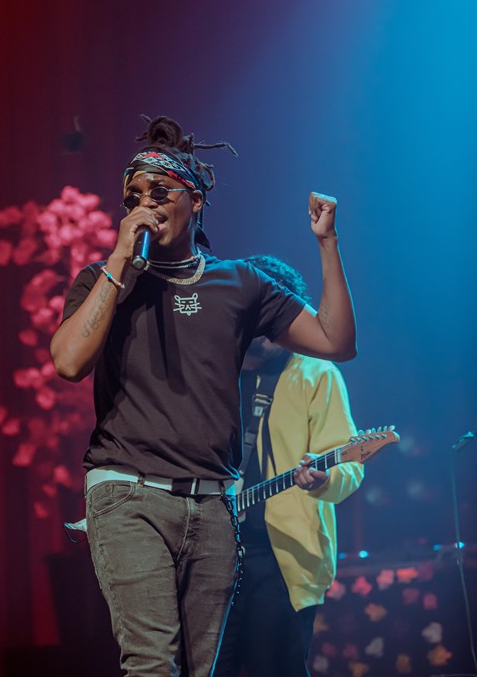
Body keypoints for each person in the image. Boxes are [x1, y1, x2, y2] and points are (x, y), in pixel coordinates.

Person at [50, 115, 356, 677]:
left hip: (214, 503)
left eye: (159, 192)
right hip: (127, 492)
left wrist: (327, 243)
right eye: (132, 196)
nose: (144, 204)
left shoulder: (240, 282)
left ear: (195, 200)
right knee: (151, 663)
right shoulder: (105, 278)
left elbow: (336, 341)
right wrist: (119, 260)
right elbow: (69, 362)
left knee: (201, 669)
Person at [214, 255, 363, 677]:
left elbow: (350, 466)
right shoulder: (218, 370)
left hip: (279, 559)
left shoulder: (317, 372)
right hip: (212, 552)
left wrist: (321, 479)